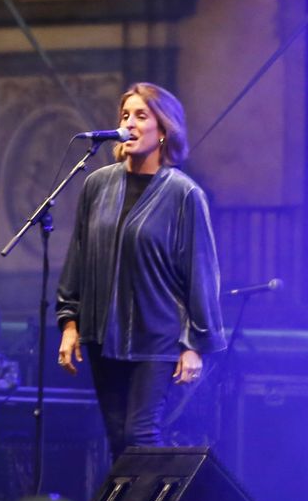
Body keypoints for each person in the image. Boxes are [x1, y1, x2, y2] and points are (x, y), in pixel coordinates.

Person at [56, 83, 225, 461]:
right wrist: (70, 324)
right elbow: (79, 256)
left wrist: (194, 343)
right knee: (117, 436)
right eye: (125, 115)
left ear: (163, 129)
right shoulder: (97, 185)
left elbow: (202, 272)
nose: (129, 123)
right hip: (102, 334)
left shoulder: (184, 194)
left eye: (141, 116)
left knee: (141, 432)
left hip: (158, 337)